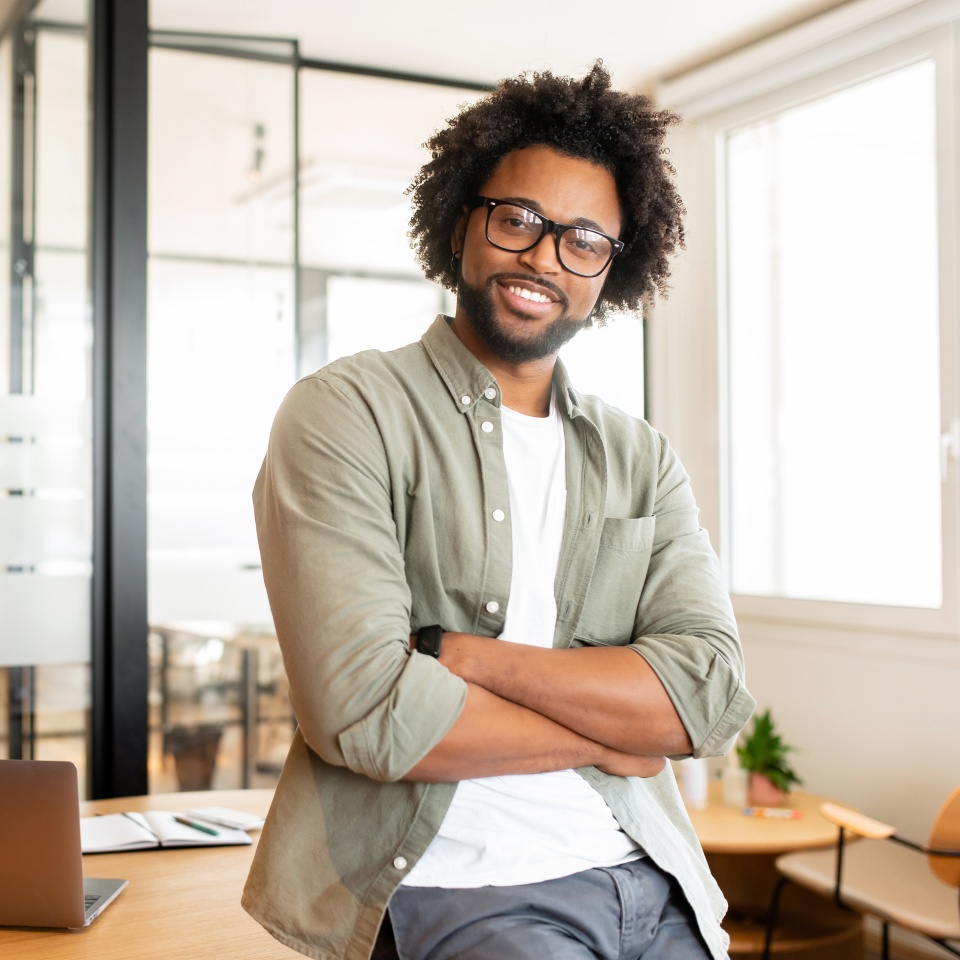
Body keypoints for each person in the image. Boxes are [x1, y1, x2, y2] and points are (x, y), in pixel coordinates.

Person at [243, 62, 755, 960]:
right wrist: (617, 737)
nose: (544, 258)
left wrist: (467, 659)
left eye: (584, 240)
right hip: (462, 890)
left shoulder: (642, 457)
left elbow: (703, 702)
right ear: (459, 222)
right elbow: (370, 714)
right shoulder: (346, 412)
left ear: (612, 269)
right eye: (518, 219)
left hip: (657, 876)